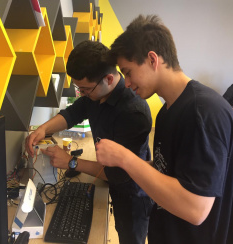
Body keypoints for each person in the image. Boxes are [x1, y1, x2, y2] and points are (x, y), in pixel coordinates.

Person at [95, 14, 233, 244]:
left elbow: (195, 209)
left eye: (128, 71)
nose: (126, 82)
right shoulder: (167, 112)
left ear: (153, 59)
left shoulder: (202, 113)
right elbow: (171, 172)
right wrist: (128, 164)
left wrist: (125, 158)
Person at [25, 40, 154, 244]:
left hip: (133, 194)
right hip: (112, 179)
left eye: (85, 90)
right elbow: (74, 112)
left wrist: (71, 162)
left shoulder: (133, 113)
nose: (82, 94)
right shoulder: (97, 94)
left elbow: (120, 174)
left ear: (109, 79)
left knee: (130, 236)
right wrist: (43, 129)